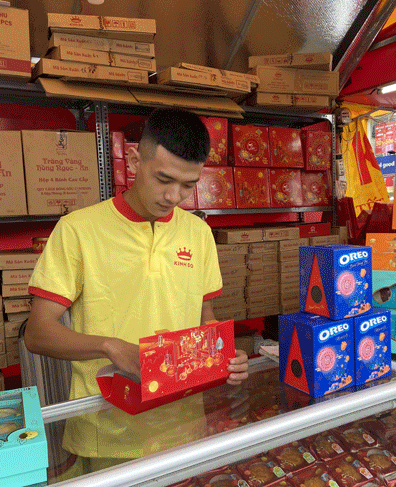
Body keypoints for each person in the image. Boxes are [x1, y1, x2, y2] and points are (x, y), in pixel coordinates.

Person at [24, 107, 249, 469]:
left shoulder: (198, 234)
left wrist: (225, 356)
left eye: (189, 185)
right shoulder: (78, 231)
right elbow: (38, 333)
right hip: (108, 430)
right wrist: (110, 347)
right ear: (132, 160)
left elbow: (204, 316)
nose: (174, 196)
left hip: (185, 426)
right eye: (164, 179)